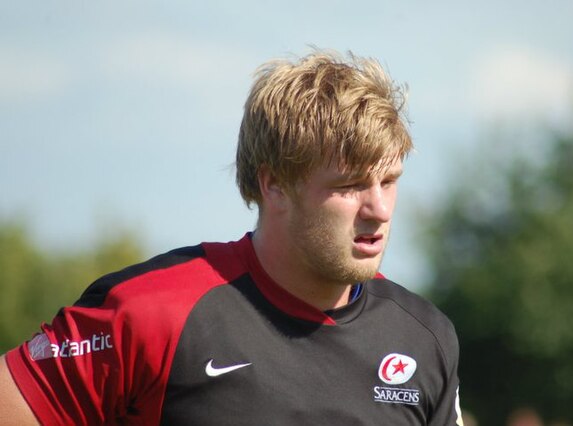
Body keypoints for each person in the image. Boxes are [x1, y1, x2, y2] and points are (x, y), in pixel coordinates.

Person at [0, 50, 464, 425]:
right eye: (348, 187)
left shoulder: (425, 338)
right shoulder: (152, 312)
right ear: (274, 184)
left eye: (389, 181)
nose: (379, 209)